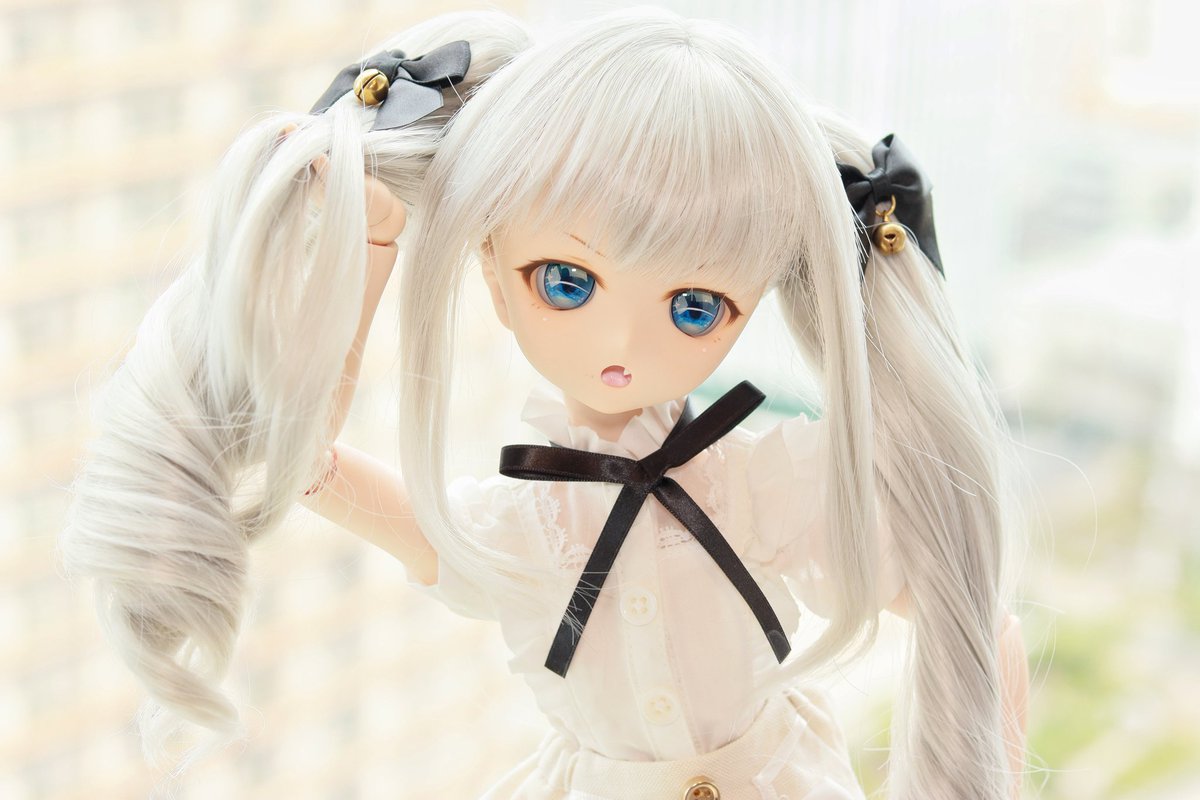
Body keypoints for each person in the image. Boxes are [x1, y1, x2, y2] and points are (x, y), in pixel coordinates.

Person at [60, 7, 1029, 798]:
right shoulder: (516, 528)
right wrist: (369, 244)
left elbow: (972, 621)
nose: (622, 346)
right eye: (566, 282)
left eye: (695, 307)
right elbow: (299, 458)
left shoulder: (764, 484)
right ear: (491, 265)